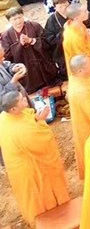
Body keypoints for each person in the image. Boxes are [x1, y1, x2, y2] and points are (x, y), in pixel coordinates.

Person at [0, 90, 68, 225]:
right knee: (41, 193)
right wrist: (41, 121)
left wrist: (35, 118)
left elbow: (27, 118)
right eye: (22, 101)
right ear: (13, 109)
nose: (26, 100)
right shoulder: (22, 131)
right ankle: (51, 218)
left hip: (18, 163)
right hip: (31, 168)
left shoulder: (4, 116)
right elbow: (43, 142)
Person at [1, 6, 60, 92]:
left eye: (20, 17)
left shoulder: (34, 26)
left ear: (23, 16)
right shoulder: (6, 36)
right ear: (9, 21)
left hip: (41, 63)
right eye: (14, 19)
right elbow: (7, 55)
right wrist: (19, 45)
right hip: (26, 70)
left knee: (51, 86)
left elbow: (47, 42)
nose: (18, 21)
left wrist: (32, 40)